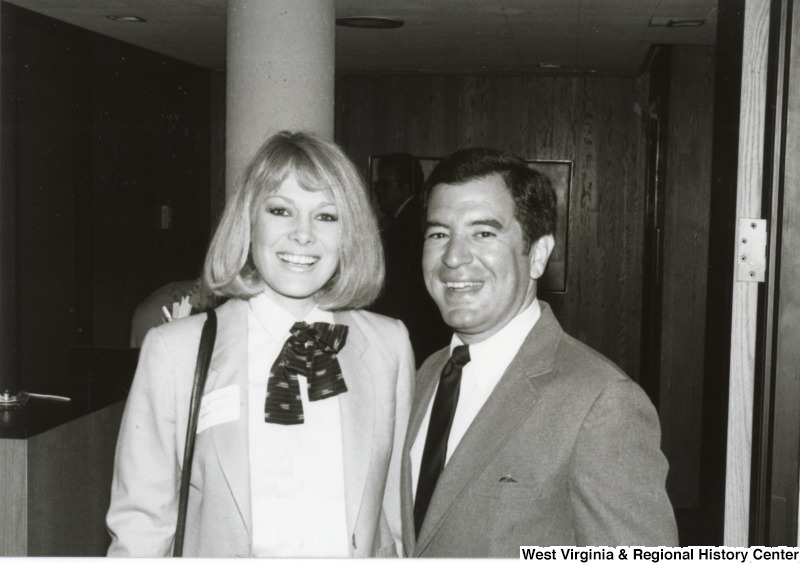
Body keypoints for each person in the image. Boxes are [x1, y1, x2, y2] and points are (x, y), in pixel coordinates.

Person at [107, 131, 414, 557]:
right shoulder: (175, 351)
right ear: (250, 222)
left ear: (350, 233)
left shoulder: (387, 345)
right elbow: (142, 526)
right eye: (281, 210)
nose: (303, 235)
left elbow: (398, 518)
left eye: (326, 216)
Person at [401, 147, 678, 557]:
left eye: (484, 232)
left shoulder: (601, 402)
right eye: (439, 233)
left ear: (539, 255)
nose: (453, 257)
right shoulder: (425, 374)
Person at [371, 153, 449, 365]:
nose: (379, 189)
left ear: (407, 186)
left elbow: (394, 294)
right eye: (378, 183)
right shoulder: (404, 220)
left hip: (414, 341)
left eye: (386, 183)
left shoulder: (408, 226)